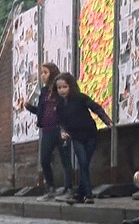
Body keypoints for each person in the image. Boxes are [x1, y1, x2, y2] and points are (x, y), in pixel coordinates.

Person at [51, 72, 113, 204]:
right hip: (76, 137)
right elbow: (60, 121)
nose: (62, 90)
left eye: (64, 87)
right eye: (59, 88)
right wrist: (63, 131)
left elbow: (96, 108)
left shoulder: (80, 98)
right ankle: (89, 195)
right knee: (82, 163)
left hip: (90, 134)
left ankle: (79, 194)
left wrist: (107, 120)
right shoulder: (59, 105)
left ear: (71, 86)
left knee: (85, 164)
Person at [24, 62, 73, 202]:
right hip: (47, 130)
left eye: (45, 72)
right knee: (44, 159)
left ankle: (68, 188)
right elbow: (41, 111)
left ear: (52, 73)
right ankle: (50, 188)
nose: (42, 75)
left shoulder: (60, 90)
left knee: (65, 159)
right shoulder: (44, 92)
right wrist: (29, 107)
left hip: (61, 128)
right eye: (42, 73)